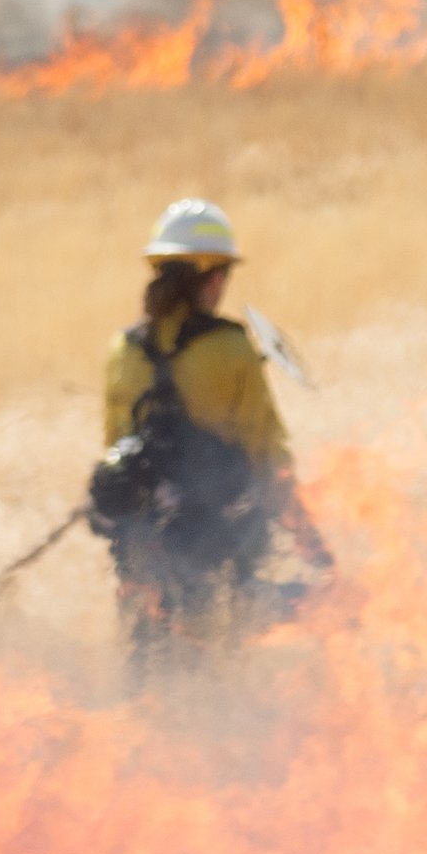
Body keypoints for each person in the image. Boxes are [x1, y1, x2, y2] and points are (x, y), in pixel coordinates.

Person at [89, 198, 328, 669]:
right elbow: (268, 459)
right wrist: (311, 543)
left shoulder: (122, 351)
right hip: (215, 548)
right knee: (219, 667)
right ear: (214, 277)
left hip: (142, 553)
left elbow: (114, 442)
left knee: (149, 670)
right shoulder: (232, 348)